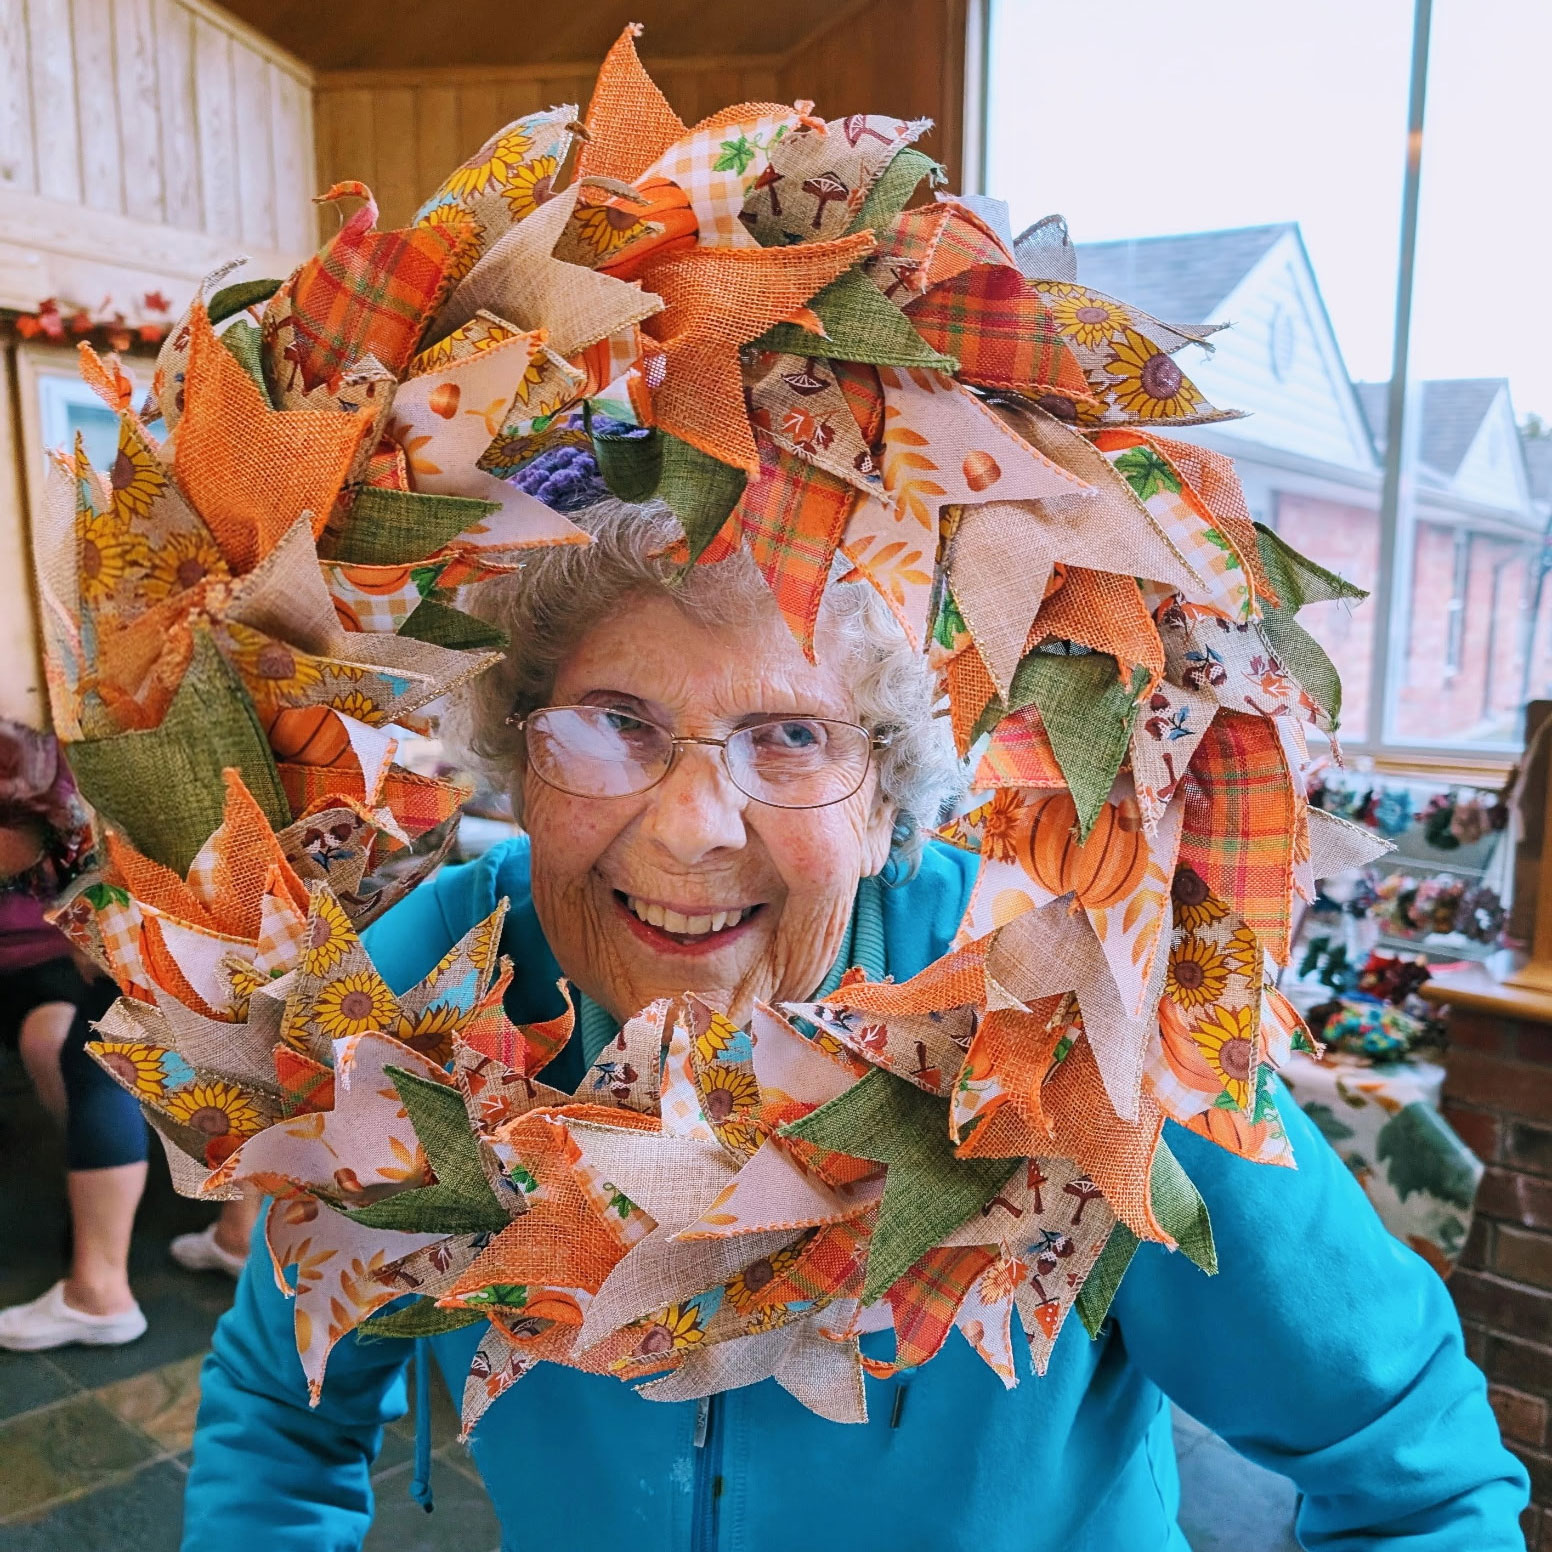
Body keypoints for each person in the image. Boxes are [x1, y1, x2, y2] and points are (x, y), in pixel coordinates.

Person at [182, 503, 1529, 1550]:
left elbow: (1406, 1457)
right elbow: (279, 1416)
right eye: (612, 724)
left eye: (787, 737)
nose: (691, 827)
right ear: (518, 765)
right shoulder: (425, 998)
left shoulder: (1069, 1017)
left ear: (888, 800)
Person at [0, 719, 258, 1352]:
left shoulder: (86, 732)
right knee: (241, 1040)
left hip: (167, 888)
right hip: (241, 880)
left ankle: (99, 1293)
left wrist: (97, 910)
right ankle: (240, 1237)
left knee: (101, 1055)